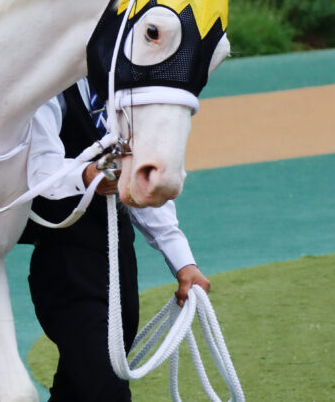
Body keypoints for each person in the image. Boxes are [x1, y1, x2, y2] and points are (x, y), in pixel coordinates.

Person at [19, 78, 211, 402]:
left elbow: (142, 180)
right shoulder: (45, 88)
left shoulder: (122, 86)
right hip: (66, 270)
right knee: (108, 393)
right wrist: (88, 175)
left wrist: (183, 263)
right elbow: (39, 172)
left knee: (76, 392)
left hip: (121, 268)